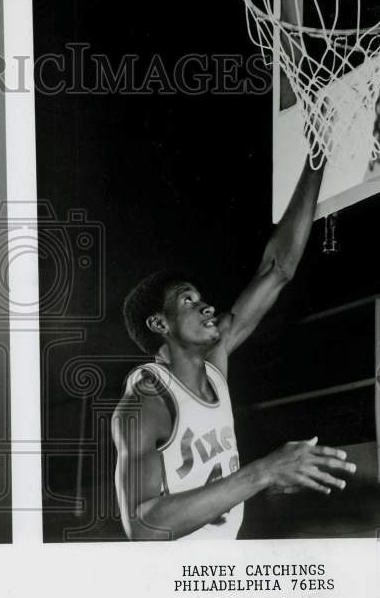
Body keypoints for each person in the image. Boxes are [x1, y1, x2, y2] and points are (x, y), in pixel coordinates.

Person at [112, 156, 356, 541]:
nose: (207, 305)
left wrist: (316, 157)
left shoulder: (213, 362)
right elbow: (142, 526)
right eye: (188, 301)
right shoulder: (147, 401)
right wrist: (264, 472)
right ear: (160, 324)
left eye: (201, 297)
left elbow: (277, 269)